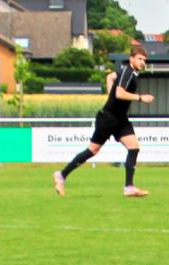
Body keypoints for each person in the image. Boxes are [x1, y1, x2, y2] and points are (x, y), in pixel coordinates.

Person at [56, 43, 154, 197]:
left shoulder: (129, 72)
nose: (142, 62)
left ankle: (129, 187)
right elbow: (120, 93)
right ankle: (61, 175)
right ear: (131, 59)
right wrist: (141, 97)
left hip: (120, 119)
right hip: (108, 119)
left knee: (134, 147)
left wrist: (111, 96)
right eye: (139, 59)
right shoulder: (128, 72)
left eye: (144, 60)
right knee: (92, 150)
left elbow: (110, 77)